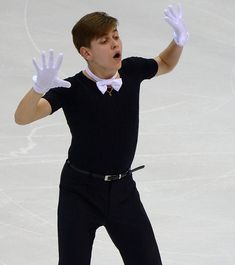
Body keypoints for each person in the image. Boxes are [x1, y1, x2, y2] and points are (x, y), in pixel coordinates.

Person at [14, 4, 188, 265]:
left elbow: (164, 63)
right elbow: (23, 117)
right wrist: (38, 88)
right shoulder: (71, 88)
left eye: (116, 36)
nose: (114, 43)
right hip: (79, 193)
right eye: (104, 41)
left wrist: (178, 41)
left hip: (123, 191)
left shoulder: (131, 71)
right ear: (87, 52)